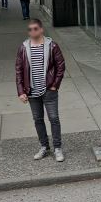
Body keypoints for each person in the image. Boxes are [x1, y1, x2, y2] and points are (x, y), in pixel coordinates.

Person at [15, 19, 66, 162]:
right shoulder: (23, 48)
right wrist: (21, 91)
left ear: (42, 29)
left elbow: (60, 66)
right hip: (31, 91)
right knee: (38, 119)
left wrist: (55, 85)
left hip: (49, 90)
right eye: (30, 29)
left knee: (54, 119)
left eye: (35, 29)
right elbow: (19, 70)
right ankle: (44, 147)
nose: (32, 32)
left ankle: (57, 148)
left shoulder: (52, 46)